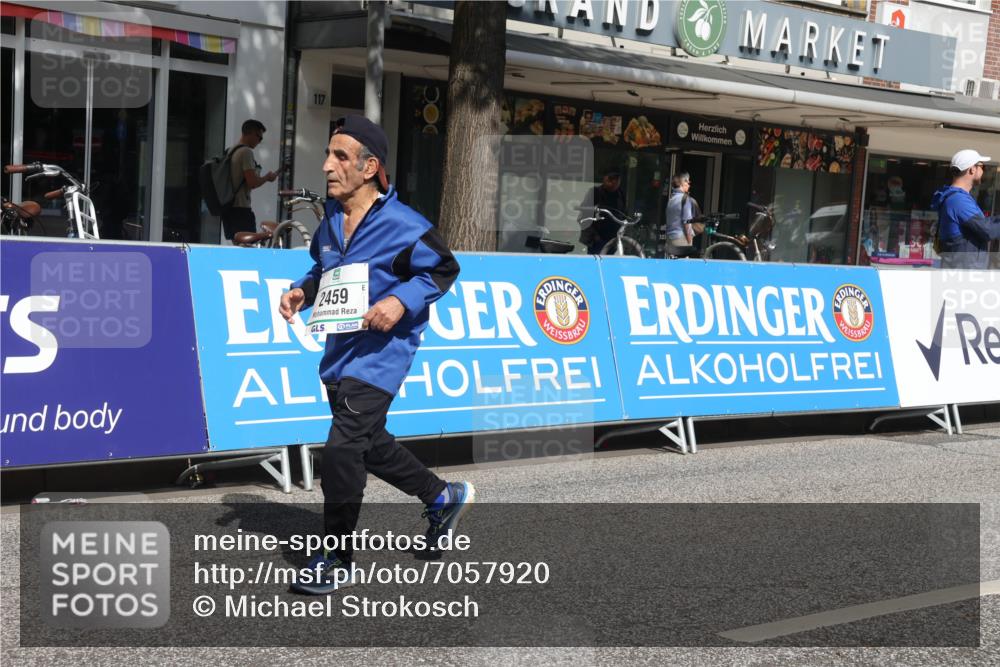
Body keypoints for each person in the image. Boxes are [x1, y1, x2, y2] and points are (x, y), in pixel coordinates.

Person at [278, 115, 473, 595]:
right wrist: (303, 291)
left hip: (383, 354)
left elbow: (444, 270)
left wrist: (398, 301)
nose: (327, 165)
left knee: (343, 448)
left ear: (369, 167)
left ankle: (336, 557)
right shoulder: (329, 221)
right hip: (339, 352)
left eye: (339, 157)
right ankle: (441, 496)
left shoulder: (405, 226)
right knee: (369, 444)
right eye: (328, 154)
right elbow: (323, 270)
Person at [932, 149, 1000, 270]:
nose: (983, 170)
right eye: (981, 166)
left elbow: (983, 225)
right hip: (963, 274)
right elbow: (986, 230)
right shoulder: (958, 200)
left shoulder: (956, 198)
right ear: (972, 169)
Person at [221, 119, 278, 241]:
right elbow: (252, 183)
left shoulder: (231, 151)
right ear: (251, 133)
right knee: (248, 248)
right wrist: (267, 177)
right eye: (259, 137)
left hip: (228, 208)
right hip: (241, 208)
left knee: (237, 246)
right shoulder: (246, 152)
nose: (259, 141)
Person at [578, 170, 627, 253]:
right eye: (610, 180)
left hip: (613, 238)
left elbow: (624, 213)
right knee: (596, 261)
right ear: (605, 179)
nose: (613, 184)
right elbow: (584, 214)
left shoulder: (620, 194)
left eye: (616, 181)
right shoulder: (595, 192)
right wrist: (595, 236)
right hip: (597, 237)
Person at [662, 172, 698, 256]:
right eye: (688, 182)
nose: (689, 185)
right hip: (681, 238)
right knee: (684, 266)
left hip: (670, 238)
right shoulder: (685, 199)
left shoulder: (671, 199)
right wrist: (689, 240)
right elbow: (687, 222)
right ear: (682, 183)